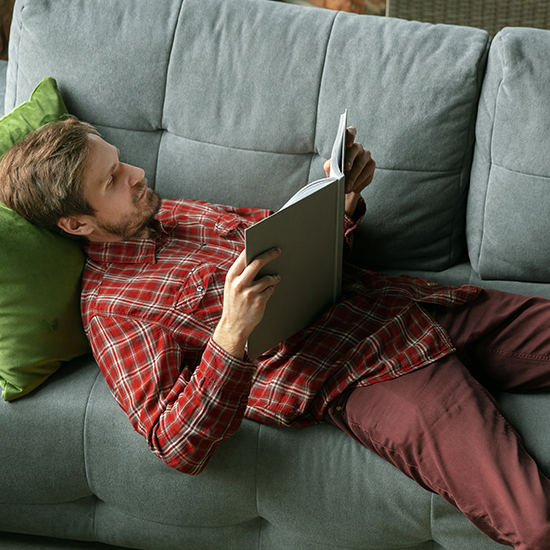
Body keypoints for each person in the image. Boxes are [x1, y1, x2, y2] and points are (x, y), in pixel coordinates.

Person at [1, 115, 549, 549]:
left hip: (409, 303)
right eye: (113, 180)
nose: (137, 174)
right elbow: (175, 443)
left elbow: (295, 250)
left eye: (121, 162)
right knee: (537, 525)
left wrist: (343, 201)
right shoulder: (113, 311)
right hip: (368, 372)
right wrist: (231, 334)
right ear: (76, 224)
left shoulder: (175, 212)